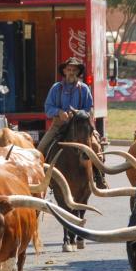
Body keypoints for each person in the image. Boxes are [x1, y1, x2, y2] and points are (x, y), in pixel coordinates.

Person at [36, 57, 106, 189]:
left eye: (74, 70)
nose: (71, 72)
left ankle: (99, 177)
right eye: (69, 69)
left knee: (96, 147)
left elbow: (89, 109)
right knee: (41, 149)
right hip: (59, 125)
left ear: (78, 72)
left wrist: (79, 114)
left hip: (81, 126)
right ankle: (40, 178)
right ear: (64, 71)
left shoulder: (84, 89)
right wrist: (59, 112)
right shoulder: (56, 88)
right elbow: (48, 108)